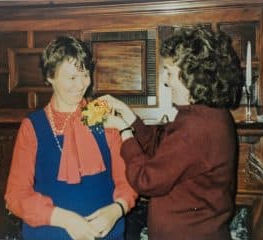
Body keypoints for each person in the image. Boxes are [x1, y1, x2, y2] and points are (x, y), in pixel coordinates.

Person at [100, 25, 244, 240]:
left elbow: (146, 180)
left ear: (191, 75)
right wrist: (130, 118)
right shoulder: (209, 114)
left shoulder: (197, 126)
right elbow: (166, 150)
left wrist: (124, 132)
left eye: (169, 71)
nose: (166, 81)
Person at [5, 35, 137, 240]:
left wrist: (117, 209)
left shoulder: (103, 115)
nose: (81, 85)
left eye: (85, 75)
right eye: (72, 77)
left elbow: (128, 179)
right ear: (50, 76)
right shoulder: (32, 126)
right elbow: (15, 195)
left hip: (106, 235)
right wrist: (63, 219)